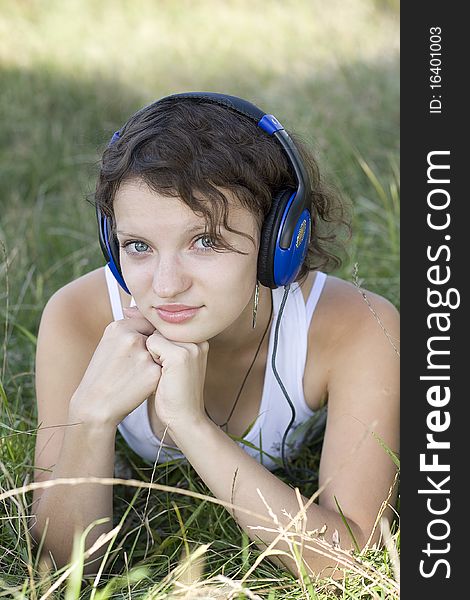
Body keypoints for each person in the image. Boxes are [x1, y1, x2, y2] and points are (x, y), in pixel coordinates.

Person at [31, 92, 400, 577]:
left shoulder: (357, 327)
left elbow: (351, 563)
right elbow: (57, 567)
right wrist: (91, 418)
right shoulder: (76, 317)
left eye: (206, 241)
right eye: (138, 246)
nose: (165, 286)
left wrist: (191, 425)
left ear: (278, 243)